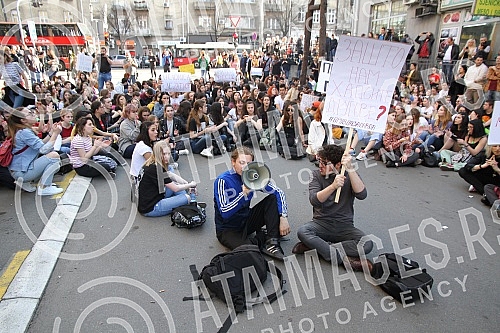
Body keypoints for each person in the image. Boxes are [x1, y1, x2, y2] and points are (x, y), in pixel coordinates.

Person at [292, 144, 373, 271]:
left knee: (367, 244)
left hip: (344, 226)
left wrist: (351, 168)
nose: (320, 165)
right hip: (321, 223)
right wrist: (333, 186)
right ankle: (345, 261)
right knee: (303, 231)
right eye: (319, 161)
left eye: (325, 163)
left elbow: (362, 195)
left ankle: (317, 247)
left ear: (338, 165)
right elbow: (314, 200)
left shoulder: (349, 175)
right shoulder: (315, 175)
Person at [213, 147, 290, 260]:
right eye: (242, 162)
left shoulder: (251, 175)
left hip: (246, 221)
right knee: (250, 252)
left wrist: (283, 216)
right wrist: (243, 195)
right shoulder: (222, 181)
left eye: (249, 163)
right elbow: (225, 212)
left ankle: (271, 243)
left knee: (272, 199)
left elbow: (278, 192)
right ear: (233, 162)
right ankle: (260, 238)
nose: (245, 167)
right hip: (228, 229)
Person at [7, 108, 63, 196]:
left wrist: (51, 132)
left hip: (18, 171)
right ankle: (45, 187)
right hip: (22, 172)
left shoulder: (22, 131)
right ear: (23, 120)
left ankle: (25, 182)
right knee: (54, 156)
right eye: (29, 113)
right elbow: (44, 150)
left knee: (53, 157)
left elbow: (41, 145)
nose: (33, 114)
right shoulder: (24, 132)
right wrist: (56, 134)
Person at [138, 140, 196, 217]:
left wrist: (187, 184)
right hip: (152, 207)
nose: (167, 157)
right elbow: (175, 188)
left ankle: (180, 198)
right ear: (158, 154)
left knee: (174, 181)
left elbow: (171, 175)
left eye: (169, 153)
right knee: (186, 198)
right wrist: (191, 185)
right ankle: (191, 199)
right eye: (164, 154)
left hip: (151, 198)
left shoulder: (152, 163)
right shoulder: (156, 168)